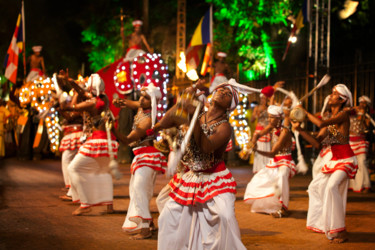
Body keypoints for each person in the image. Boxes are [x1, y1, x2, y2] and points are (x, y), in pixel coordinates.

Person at [154, 80, 248, 250]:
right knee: (167, 216)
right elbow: (167, 122)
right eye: (221, 90)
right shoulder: (198, 112)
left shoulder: (225, 127)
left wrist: (192, 117)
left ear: (230, 106)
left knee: (224, 216)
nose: (222, 92)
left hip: (214, 178)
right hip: (191, 176)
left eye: (228, 95)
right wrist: (183, 100)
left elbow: (206, 148)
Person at [292, 84, 358, 243]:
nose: (331, 95)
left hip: (346, 159)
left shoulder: (342, 114)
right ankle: (323, 223)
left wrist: (305, 112)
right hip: (335, 161)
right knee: (315, 187)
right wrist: (299, 130)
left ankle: (340, 231)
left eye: (335, 94)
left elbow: (321, 124)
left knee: (331, 187)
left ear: (342, 100)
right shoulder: (331, 122)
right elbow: (317, 143)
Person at [59, 72, 120, 216]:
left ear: (91, 88)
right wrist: (71, 82)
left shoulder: (91, 102)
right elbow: (83, 92)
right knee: (103, 171)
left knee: (74, 168)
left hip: (97, 139)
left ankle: (85, 204)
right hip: (108, 139)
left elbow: (73, 106)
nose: (85, 90)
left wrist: (67, 102)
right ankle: (108, 205)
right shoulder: (103, 98)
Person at [112, 83, 167, 239]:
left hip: (147, 157)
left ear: (153, 103)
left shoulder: (148, 120)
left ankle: (144, 229)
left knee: (139, 190)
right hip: (141, 156)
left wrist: (112, 129)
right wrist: (119, 102)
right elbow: (130, 103)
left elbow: (128, 139)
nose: (141, 100)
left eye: (146, 98)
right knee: (138, 191)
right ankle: (149, 224)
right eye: (141, 96)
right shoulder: (142, 107)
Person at [244, 105, 295, 218]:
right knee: (260, 179)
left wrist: (256, 150)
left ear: (278, 118)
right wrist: (253, 142)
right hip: (275, 161)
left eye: (271, 117)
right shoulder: (272, 127)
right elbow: (258, 134)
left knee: (282, 176)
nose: (269, 119)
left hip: (285, 161)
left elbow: (272, 153)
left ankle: (284, 208)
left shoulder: (285, 132)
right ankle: (271, 206)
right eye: (269, 117)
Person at [348, 95, 372, 192]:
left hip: (361, 141)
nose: (362, 104)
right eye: (361, 102)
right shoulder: (351, 112)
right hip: (351, 140)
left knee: (362, 163)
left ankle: (366, 185)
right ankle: (353, 186)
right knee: (352, 163)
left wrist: (362, 114)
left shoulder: (368, 116)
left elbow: (365, 126)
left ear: (367, 105)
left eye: (364, 103)